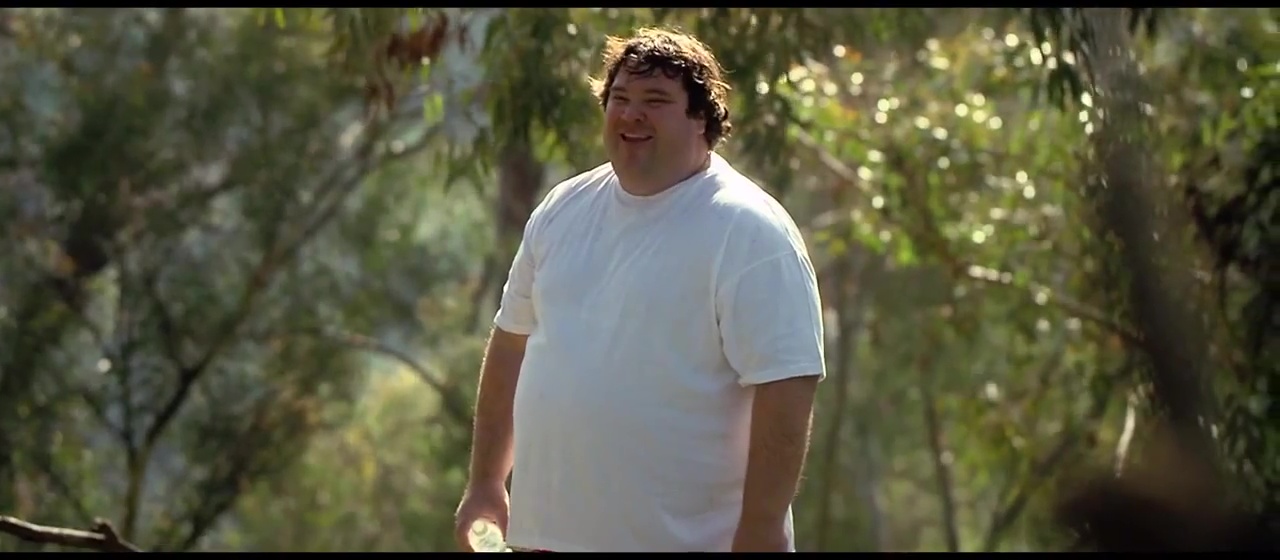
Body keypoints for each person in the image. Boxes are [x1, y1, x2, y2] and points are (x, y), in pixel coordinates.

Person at [453, 26, 825, 553]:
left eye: (655, 101)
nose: (632, 115)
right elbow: (511, 344)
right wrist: (487, 482)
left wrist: (762, 530)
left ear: (702, 117)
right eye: (620, 99)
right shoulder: (562, 210)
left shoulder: (750, 231)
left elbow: (787, 387)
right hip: (547, 541)